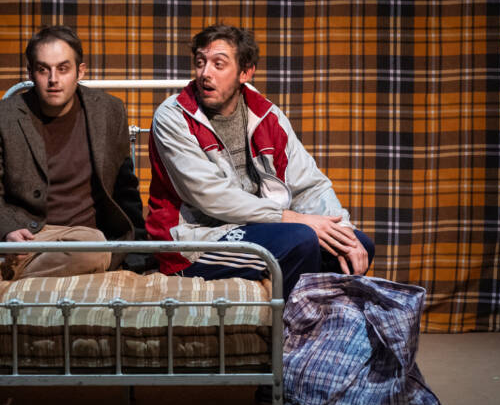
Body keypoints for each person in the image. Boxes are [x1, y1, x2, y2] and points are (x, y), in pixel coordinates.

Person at [146, 23, 373, 299]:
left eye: (218, 64)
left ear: (245, 72)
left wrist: (343, 229)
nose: (205, 73)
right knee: (299, 240)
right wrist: (288, 218)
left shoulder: (266, 115)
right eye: (200, 62)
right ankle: (292, 324)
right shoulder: (173, 116)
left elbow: (310, 185)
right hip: (195, 241)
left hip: (257, 228)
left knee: (357, 245)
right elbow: (212, 196)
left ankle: (320, 321)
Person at [0, 25, 145, 306]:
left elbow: (125, 188)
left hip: (79, 239)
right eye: (43, 69)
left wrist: (140, 252)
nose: (53, 80)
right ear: (30, 73)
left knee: (93, 248)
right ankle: (16, 298)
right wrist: (8, 230)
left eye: (63, 69)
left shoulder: (109, 111)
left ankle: (5, 297)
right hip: (16, 235)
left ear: (80, 72)